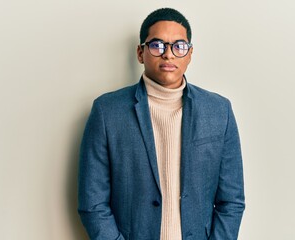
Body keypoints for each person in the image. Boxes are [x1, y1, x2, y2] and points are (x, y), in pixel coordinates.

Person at [78, 8, 245, 240]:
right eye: (157, 45)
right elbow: (92, 202)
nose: (168, 54)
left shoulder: (219, 111)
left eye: (179, 46)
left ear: (190, 54)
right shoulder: (107, 111)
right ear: (140, 52)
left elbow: (232, 201)